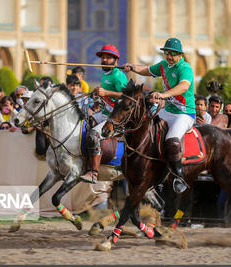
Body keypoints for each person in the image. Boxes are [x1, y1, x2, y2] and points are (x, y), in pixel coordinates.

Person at [123, 37, 195, 193]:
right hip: (167, 111)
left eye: (173, 54)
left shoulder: (185, 68)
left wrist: (163, 95)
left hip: (184, 113)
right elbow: (147, 70)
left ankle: (178, 177)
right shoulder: (163, 65)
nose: (169, 56)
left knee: (171, 140)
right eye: (167, 53)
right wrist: (132, 67)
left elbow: (183, 87)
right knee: (145, 128)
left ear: (180, 55)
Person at [81, 44, 127, 183]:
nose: (104, 60)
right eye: (103, 58)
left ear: (116, 61)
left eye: (108, 57)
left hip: (116, 117)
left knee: (94, 134)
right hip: (105, 112)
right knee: (85, 124)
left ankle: (94, 172)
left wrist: (106, 92)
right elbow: (107, 96)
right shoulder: (106, 74)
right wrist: (99, 94)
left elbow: (126, 97)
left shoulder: (118, 76)